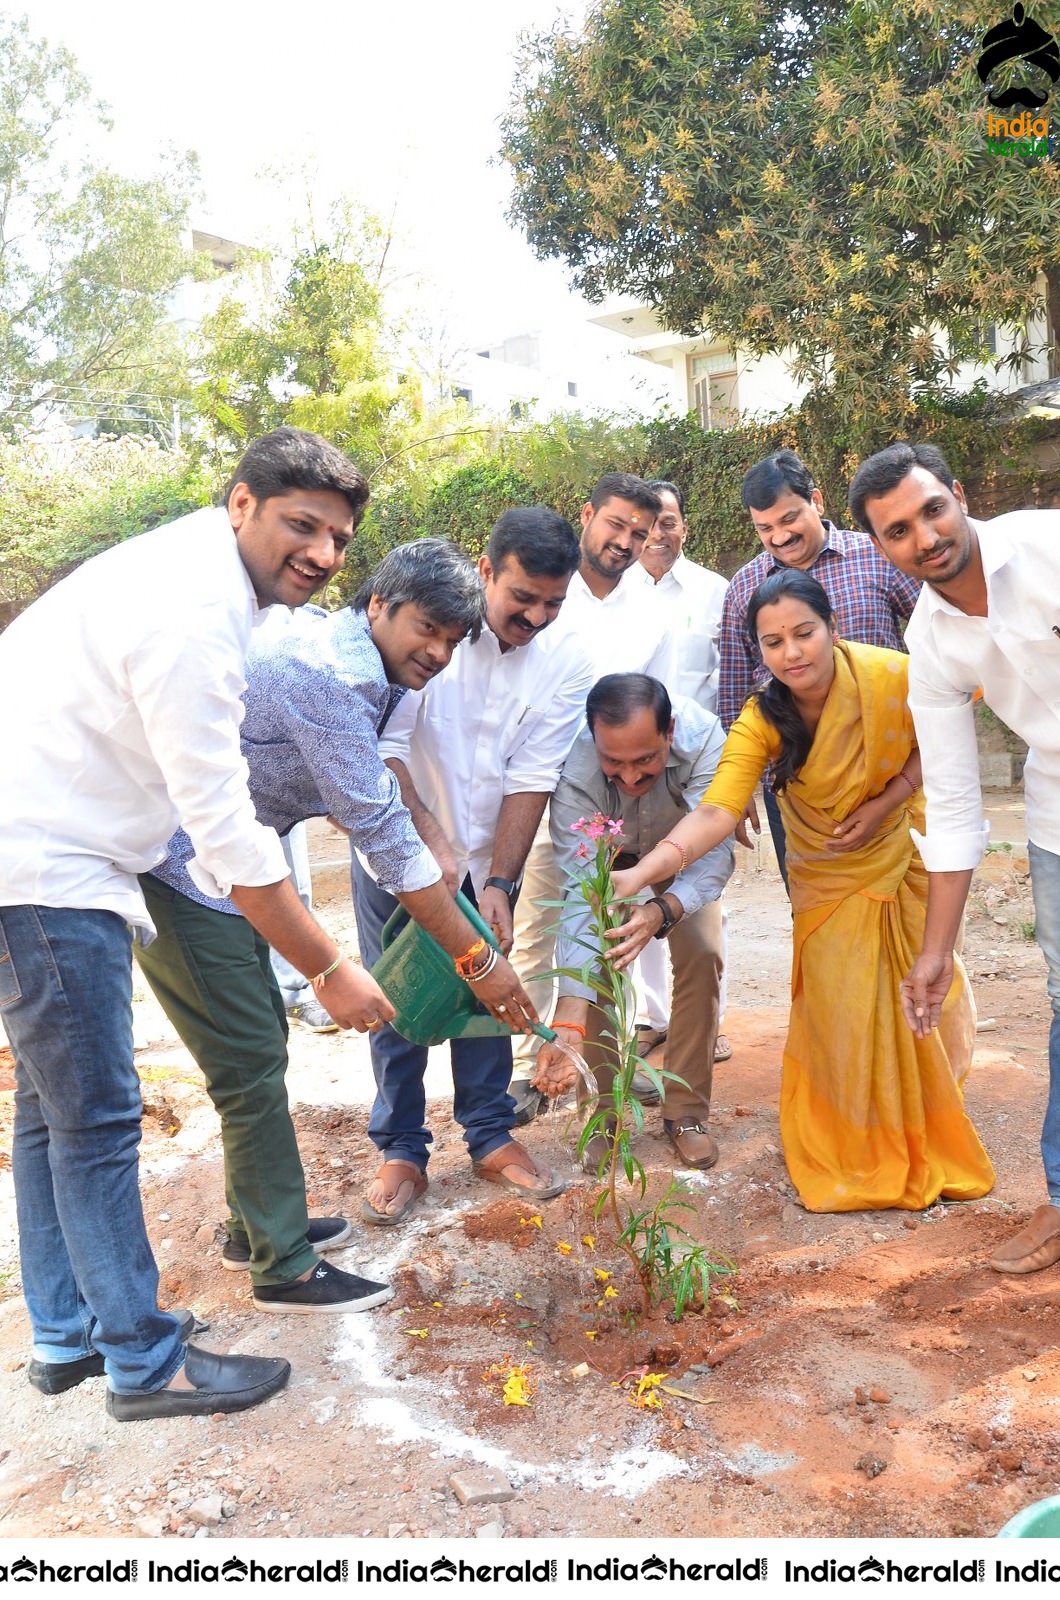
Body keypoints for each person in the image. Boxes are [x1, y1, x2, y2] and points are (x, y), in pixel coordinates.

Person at [0, 426, 394, 1419]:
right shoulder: (191, 612)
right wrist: (329, 965)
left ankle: (66, 1336)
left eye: (339, 537)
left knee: (51, 1115)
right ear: (241, 504)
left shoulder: (187, 575)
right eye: (302, 525)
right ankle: (143, 1361)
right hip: (49, 865)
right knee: (92, 1122)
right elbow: (224, 828)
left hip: (40, 854)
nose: (321, 552)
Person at [141, 537, 539, 1295]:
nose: (439, 653)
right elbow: (380, 832)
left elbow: (392, 816)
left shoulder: (355, 656)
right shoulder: (331, 678)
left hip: (228, 869)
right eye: (428, 629)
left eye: (453, 641)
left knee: (255, 1044)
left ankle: (254, 1226)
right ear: (379, 604)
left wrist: (433, 843)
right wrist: (479, 962)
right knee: (251, 1062)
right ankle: (283, 1265)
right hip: (180, 869)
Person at [611, 570, 995, 1213]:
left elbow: (958, 709)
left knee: (926, 991)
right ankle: (857, 1141)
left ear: (831, 626)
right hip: (826, 873)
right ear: (756, 649)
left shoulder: (889, 674)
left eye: (803, 633)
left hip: (904, 853)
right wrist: (644, 870)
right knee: (842, 1010)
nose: (792, 653)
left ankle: (925, 1125)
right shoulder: (762, 717)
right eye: (772, 642)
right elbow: (717, 811)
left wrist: (890, 797)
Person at [848, 441, 1059, 1269]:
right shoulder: (928, 643)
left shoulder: (1048, 546)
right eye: (899, 530)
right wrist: (936, 952)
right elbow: (957, 803)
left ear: (959, 496)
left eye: (933, 510)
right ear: (881, 547)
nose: (925, 536)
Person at [352, 507, 591, 1219]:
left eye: (554, 602)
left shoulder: (565, 661)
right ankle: (400, 1148)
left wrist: (499, 882)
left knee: (490, 998)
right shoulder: (432, 638)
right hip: (396, 856)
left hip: (488, 866)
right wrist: (430, 845)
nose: (538, 616)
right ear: (486, 571)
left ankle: (489, 1136)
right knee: (397, 1002)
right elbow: (387, 748)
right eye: (524, 598)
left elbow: (533, 775)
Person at [508, 473, 674, 1119]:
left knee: (618, 924)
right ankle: (529, 1067)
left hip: (622, 789)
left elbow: (663, 699)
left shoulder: (652, 608)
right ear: (588, 513)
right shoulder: (551, 592)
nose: (626, 541)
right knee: (541, 925)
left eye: (640, 531)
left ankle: (612, 1060)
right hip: (547, 781)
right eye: (615, 525)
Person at [535, 674, 733, 1171]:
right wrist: (569, 1018)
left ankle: (685, 1113)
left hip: (685, 855)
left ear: (670, 731)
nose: (628, 778)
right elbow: (582, 888)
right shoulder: (575, 763)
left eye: (645, 760)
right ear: (593, 740)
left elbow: (714, 849)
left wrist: (661, 910)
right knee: (598, 960)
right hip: (609, 859)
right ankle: (602, 1115)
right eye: (614, 763)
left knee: (704, 950)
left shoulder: (708, 738)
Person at [717, 450, 921, 885]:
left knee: (911, 902)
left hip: (891, 770)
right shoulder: (743, 589)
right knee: (816, 905)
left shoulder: (878, 554)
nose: (779, 536)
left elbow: (935, 640)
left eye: (788, 519)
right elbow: (736, 693)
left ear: (817, 501)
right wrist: (737, 789)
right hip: (797, 780)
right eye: (764, 528)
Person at [630, 479, 733, 1064]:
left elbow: (734, 680)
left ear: (684, 527)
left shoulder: (715, 591)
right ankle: (654, 1018)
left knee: (701, 896)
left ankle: (704, 1021)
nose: (657, 534)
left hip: (699, 771)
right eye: (647, 524)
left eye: (669, 521)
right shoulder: (612, 595)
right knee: (636, 887)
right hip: (626, 773)